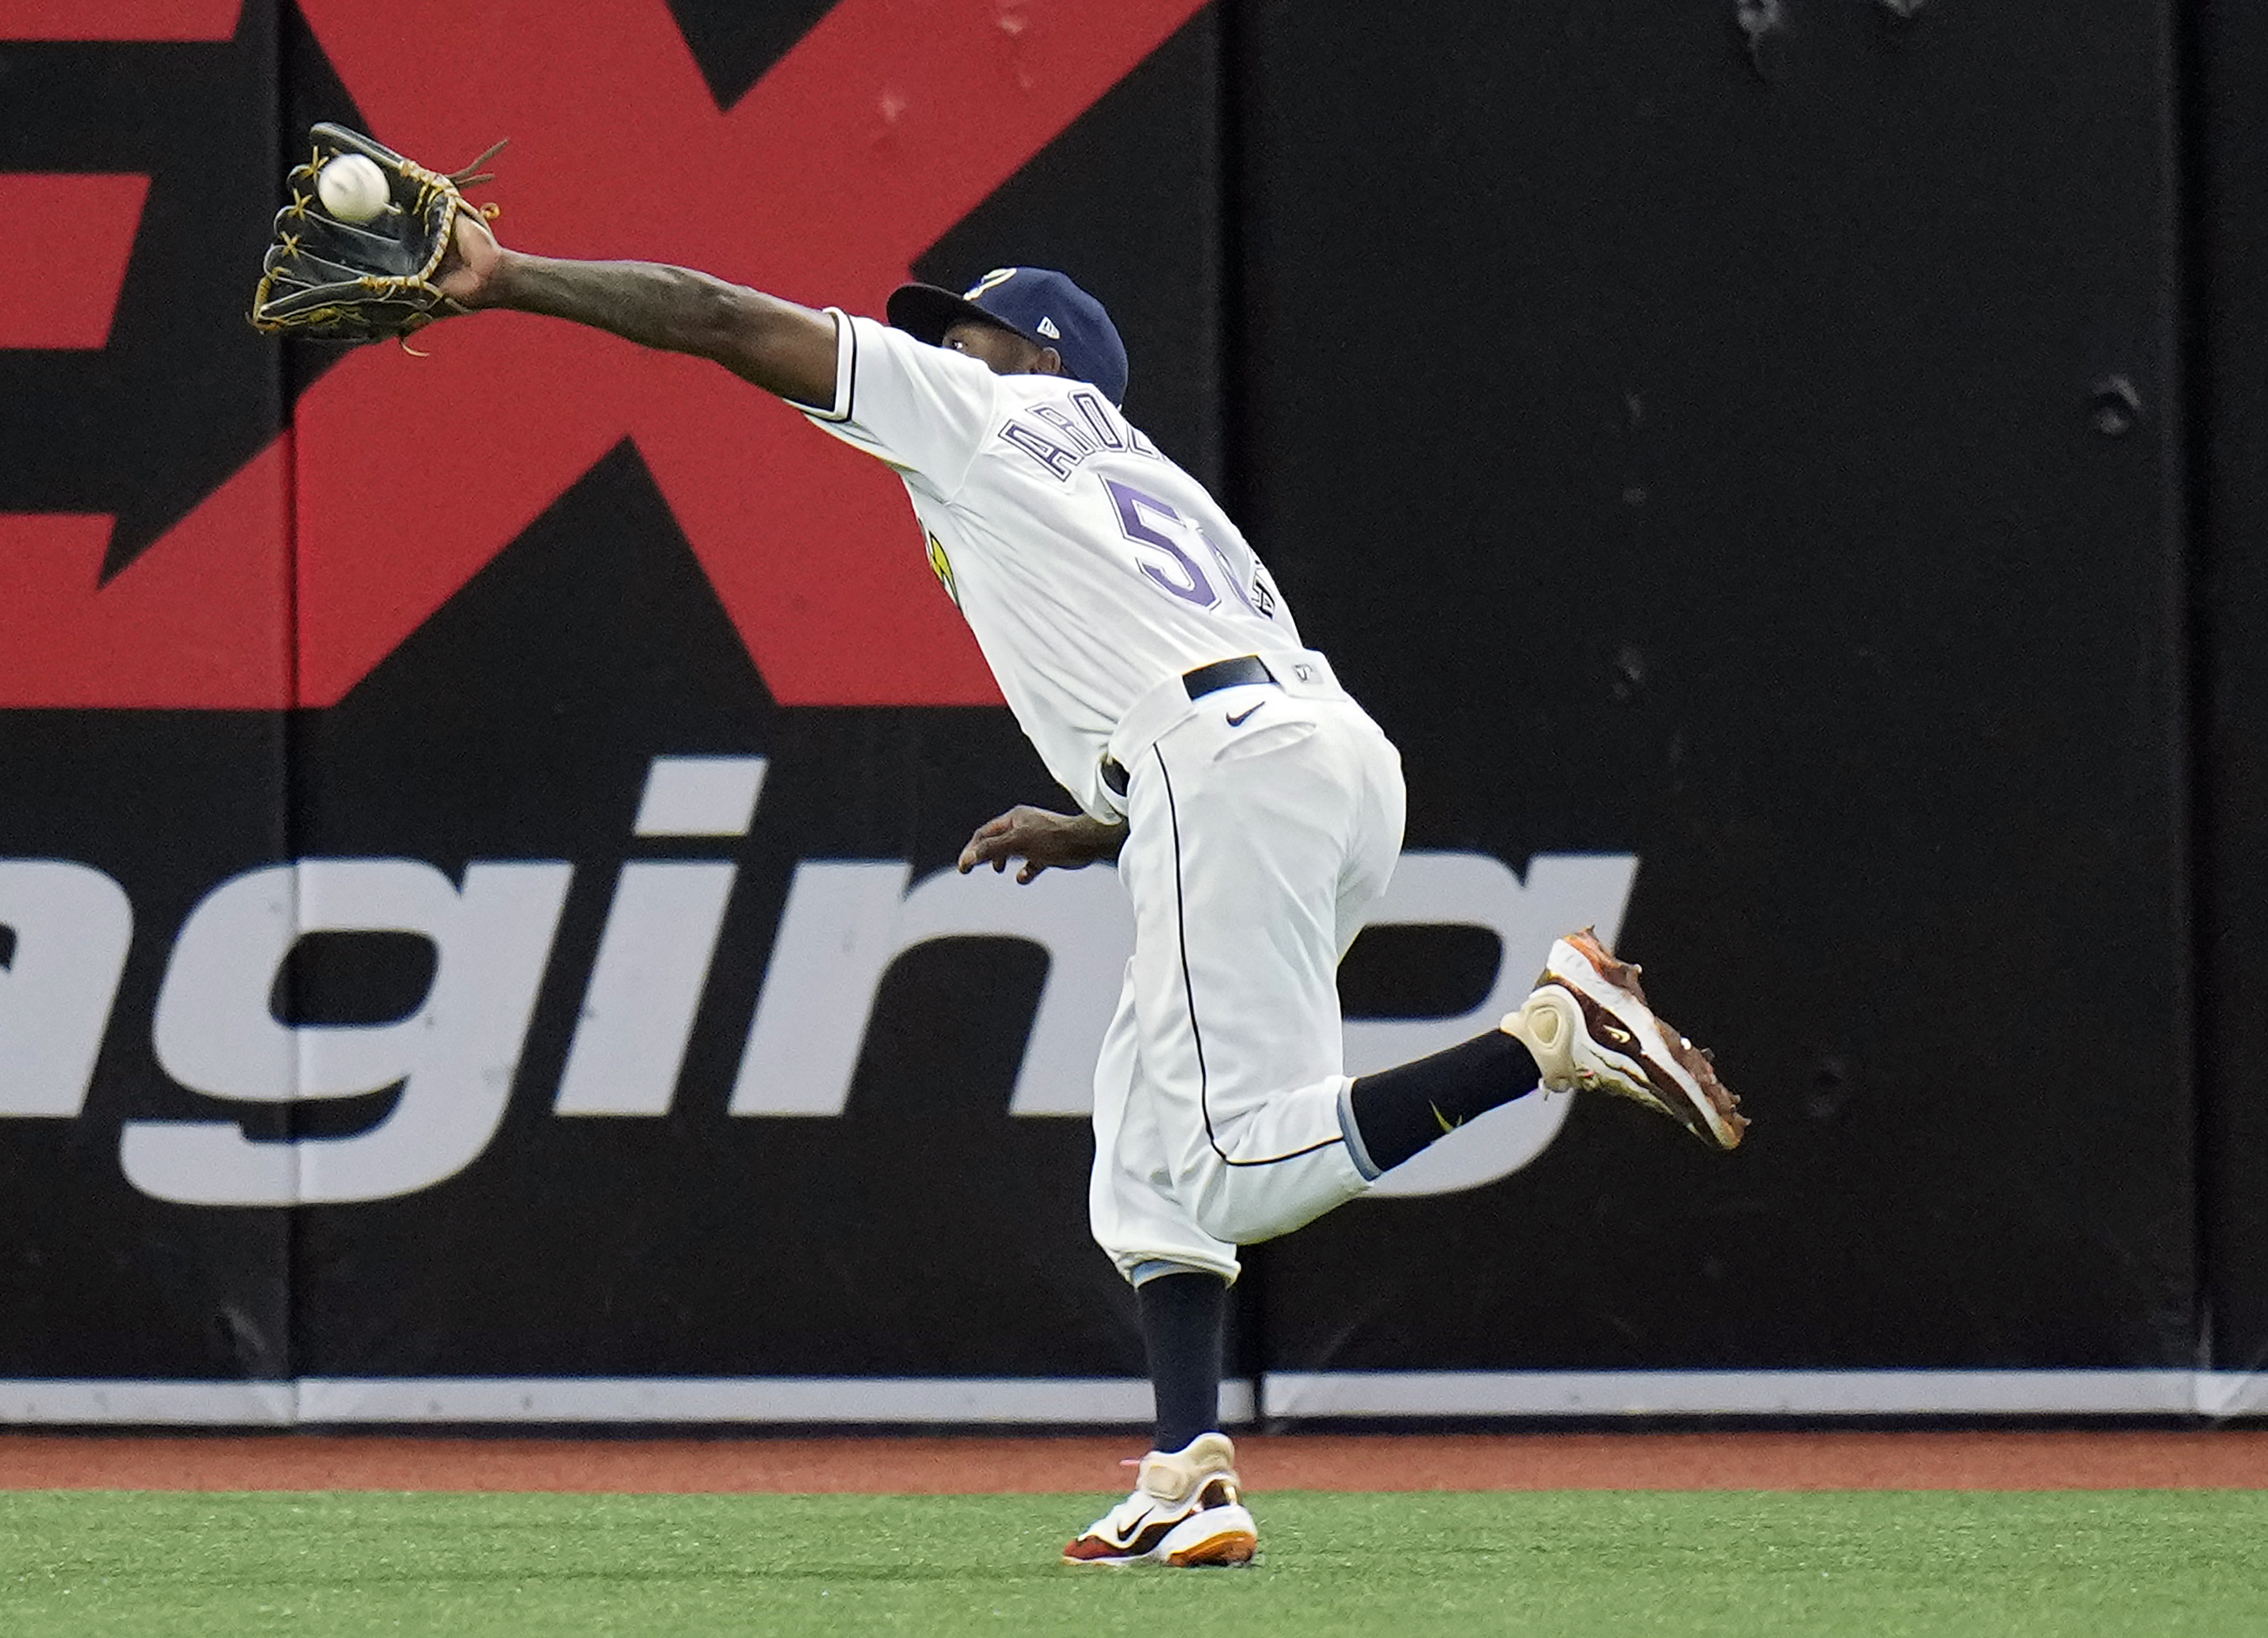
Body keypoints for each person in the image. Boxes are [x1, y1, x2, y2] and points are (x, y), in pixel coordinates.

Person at [429, 222, 1745, 1567]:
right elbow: (1192, 668)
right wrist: (1102, 822)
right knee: (1144, 1165)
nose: (946, 342)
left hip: (1225, 765)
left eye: (972, 327)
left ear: (1044, 357)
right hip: (1327, 759)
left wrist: (510, 278)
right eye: (943, 329)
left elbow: (710, 311)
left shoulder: (984, 413)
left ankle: (1546, 1039)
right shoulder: (1144, 475)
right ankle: (1189, 1477)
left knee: (1232, 1168)